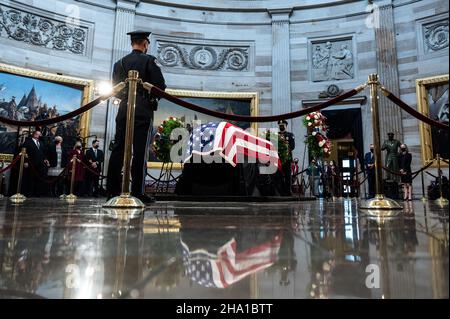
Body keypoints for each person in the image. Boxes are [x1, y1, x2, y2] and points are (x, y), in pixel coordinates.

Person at [107, 30, 166, 204]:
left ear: (132, 43)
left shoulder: (119, 63)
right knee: (140, 152)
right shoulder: (149, 60)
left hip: (124, 110)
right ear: (145, 43)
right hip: (142, 110)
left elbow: (115, 90)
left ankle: (112, 191)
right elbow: (160, 87)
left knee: (118, 149)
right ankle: (138, 192)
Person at [22, 130, 50, 197]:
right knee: (30, 178)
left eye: (40, 134)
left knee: (38, 178)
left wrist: (45, 159)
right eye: (38, 134)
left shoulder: (41, 143)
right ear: (34, 135)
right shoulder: (28, 142)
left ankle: (37, 193)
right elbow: (24, 152)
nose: (39, 136)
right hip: (31, 163)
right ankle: (29, 193)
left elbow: (43, 152)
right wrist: (25, 161)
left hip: (40, 164)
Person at [278, 119, 295, 196]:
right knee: (279, 176)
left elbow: (292, 146)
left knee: (288, 176)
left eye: (283, 125)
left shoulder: (290, 135)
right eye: (280, 125)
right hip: (278, 159)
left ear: (286, 126)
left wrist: (285, 148)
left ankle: (288, 191)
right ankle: (281, 191)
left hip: (287, 158)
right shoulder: (275, 135)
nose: (281, 126)